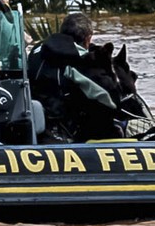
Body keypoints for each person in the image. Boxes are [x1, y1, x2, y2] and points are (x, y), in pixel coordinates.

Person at [27, 11, 120, 142]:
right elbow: (108, 98)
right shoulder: (76, 57)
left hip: (36, 119)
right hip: (61, 129)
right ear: (88, 39)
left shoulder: (38, 49)